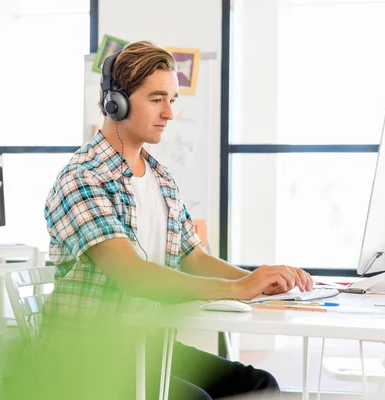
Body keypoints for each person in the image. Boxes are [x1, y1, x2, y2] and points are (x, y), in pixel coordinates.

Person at [44, 40, 314, 400]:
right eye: (157, 99)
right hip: (88, 353)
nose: (169, 113)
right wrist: (236, 290)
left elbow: (194, 256)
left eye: (172, 100)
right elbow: (133, 274)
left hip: (146, 343)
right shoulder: (82, 178)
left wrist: (259, 281)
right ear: (116, 102)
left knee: (259, 386)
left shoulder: (160, 178)